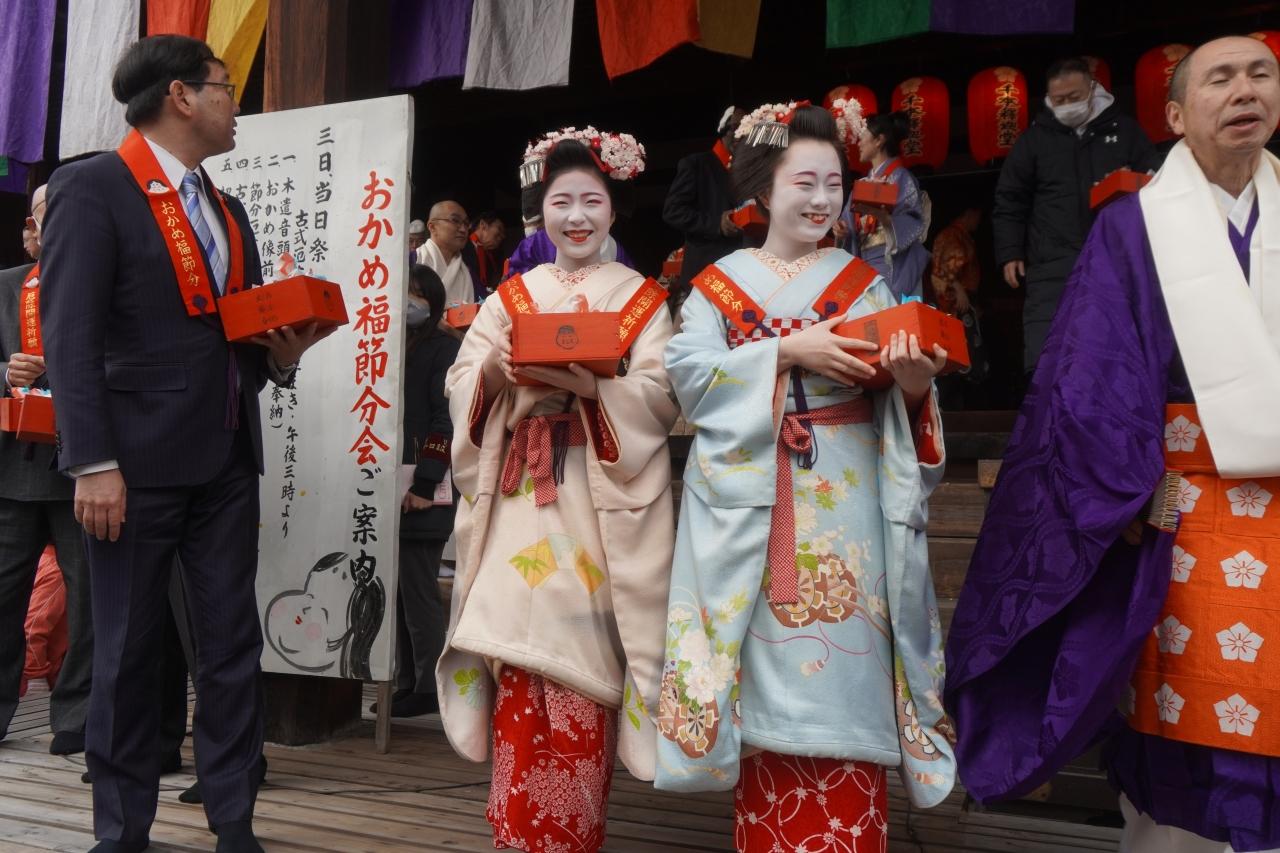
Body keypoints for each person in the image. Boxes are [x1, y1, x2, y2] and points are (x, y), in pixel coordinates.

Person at [945, 36, 1280, 853]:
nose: (1245, 90)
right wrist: (1114, 492)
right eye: (1221, 78)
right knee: (1190, 740)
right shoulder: (1134, 226)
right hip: (1186, 514)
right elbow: (1086, 375)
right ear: (1175, 116)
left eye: (1262, 74)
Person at [39, 35, 331, 853]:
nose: (237, 105)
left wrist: (283, 355)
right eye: (226, 87)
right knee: (128, 650)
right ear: (180, 96)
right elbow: (70, 337)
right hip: (129, 467)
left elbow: (234, 334)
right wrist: (92, 462)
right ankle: (121, 831)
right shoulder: (93, 187)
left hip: (228, 455)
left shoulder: (228, 209)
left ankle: (234, 821)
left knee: (232, 644)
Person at [654, 101, 956, 852]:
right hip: (748, 514)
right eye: (804, 183)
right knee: (755, 680)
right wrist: (788, 352)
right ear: (763, 188)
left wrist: (914, 385)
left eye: (834, 184)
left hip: (847, 509)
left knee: (846, 682)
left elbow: (902, 404)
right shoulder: (718, 284)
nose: (823, 200)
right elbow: (687, 377)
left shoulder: (864, 283)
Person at [436, 129, 676, 853]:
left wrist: (596, 390)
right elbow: (462, 382)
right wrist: (498, 375)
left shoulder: (644, 299)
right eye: (561, 201)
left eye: (592, 201)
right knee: (518, 649)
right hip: (521, 494)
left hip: (596, 504)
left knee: (583, 660)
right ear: (540, 210)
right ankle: (518, 832)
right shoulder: (511, 297)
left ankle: (570, 830)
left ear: (614, 209)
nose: (577, 217)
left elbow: (660, 396)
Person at [0, 183, 93, 758]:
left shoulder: (101, 283)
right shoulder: (6, 285)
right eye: (44, 216)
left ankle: (78, 715)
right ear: (30, 231)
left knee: (87, 601)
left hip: (82, 468)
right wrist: (5, 373)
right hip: (11, 469)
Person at [993, 56, 1161, 373]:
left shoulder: (1125, 130)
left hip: (1118, 257)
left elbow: (1158, 181)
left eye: (1074, 97)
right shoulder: (1034, 140)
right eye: (1059, 100)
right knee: (1052, 357)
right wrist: (1010, 251)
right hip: (1052, 261)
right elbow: (1010, 198)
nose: (1067, 105)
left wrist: (1131, 182)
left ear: (1092, 89)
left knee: (1120, 354)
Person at [390, 264, 459, 718]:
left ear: (433, 302)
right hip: (393, 488)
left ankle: (429, 686)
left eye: (417, 294)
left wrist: (426, 481)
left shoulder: (444, 348)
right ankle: (407, 680)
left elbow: (444, 420)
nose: (409, 302)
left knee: (418, 591)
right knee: (400, 592)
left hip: (423, 489)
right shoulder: (393, 342)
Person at [841, 111, 931, 301]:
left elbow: (914, 223)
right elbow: (847, 227)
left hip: (891, 265)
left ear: (879, 140)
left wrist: (884, 218)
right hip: (863, 266)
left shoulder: (902, 178)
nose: (859, 143)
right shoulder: (861, 184)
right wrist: (840, 230)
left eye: (863, 137)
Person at [662, 106, 745, 298]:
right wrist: (717, 223)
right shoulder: (696, 164)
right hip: (704, 269)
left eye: (745, 130)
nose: (741, 134)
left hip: (741, 270)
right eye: (736, 128)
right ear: (723, 130)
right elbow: (673, 211)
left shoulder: (748, 169)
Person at [417, 199, 480, 306]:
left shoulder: (469, 274)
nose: (463, 229)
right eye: (455, 220)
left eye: (466, 223)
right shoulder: (412, 261)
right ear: (432, 227)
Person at [929, 208, 982, 315]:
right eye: (978, 216)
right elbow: (943, 268)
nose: (979, 220)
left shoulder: (961, 235)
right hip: (952, 301)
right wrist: (959, 289)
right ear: (969, 213)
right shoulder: (952, 235)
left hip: (963, 298)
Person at [466, 211, 506, 295]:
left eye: (503, 234)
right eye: (499, 229)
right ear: (483, 225)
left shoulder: (493, 257)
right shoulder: (462, 246)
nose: (502, 236)